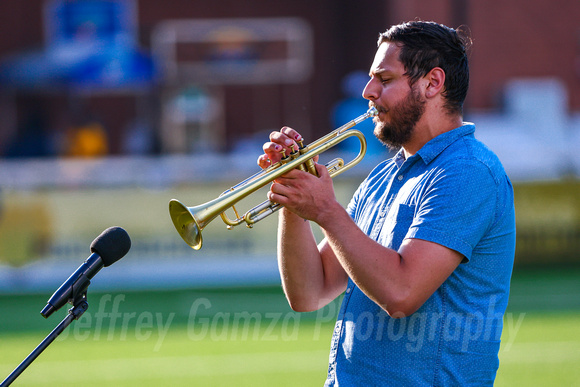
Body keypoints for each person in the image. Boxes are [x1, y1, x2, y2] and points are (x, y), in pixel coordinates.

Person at [257, 21, 516, 386]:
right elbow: (308, 293)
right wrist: (292, 196)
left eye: (384, 78)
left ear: (432, 83)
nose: (368, 91)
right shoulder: (383, 178)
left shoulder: (467, 171)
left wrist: (326, 211)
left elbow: (401, 293)